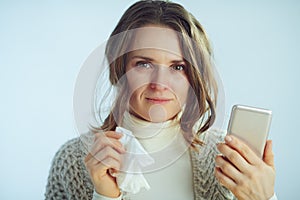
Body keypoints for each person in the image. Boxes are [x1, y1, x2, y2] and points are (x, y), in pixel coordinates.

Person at [45, 1, 277, 199]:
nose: (160, 83)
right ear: (119, 69)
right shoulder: (71, 162)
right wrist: (104, 196)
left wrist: (265, 198)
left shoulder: (227, 160)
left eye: (178, 67)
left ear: (195, 78)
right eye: (144, 64)